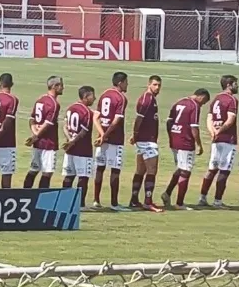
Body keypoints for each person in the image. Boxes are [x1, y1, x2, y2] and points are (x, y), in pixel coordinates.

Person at [161, 89, 211, 210]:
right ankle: (179, 203)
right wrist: (199, 144)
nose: (202, 104)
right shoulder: (194, 105)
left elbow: (169, 121)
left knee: (180, 168)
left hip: (175, 139)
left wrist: (171, 136)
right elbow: (194, 127)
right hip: (185, 142)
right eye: (204, 101)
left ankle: (167, 193)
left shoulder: (179, 102)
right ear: (201, 96)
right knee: (186, 171)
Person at [200, 74, 239, 208]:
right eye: (235, 83)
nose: (237, 86)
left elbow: (209, 118)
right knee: (224, 170)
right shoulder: (232, 100)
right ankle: (217, 201)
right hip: (228, 140)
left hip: (216, 140)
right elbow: (230, 120)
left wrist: (213, 132)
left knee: (212, 169)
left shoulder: (216, 99)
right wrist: (221, 130)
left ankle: (202, 198)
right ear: (229, 85)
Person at [92, 71, 129, 211]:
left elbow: (96, 117)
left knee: (100, 168)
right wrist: (106, 135)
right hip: (115, 139)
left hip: (102, 139)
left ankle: (96, 200)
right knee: (115, 170)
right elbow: (116, 121)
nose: (127, 85)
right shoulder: (121, 98)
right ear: (120, 83)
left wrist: (101, 135)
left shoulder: (104, 94)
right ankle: (114, 203)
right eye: (126, 82)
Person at [129, 75, 163, 212]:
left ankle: (134, 199)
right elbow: (139, 119)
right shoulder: (146, 99)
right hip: (146, 141)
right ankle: (148, 201)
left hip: (145, 139)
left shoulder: (150, 98)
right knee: (152, 170)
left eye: (159, 85)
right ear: (149, 84)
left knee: (141, 170)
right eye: (155, 85)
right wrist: (135, 135)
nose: (157, 88)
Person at [23, 76, 62, 189]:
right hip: (49, 143)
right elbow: (48, 124)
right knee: (47, 173)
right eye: (61, 85)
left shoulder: (40, 100)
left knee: (34, 169)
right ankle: (41, 199)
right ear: (54, 86)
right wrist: (37, 134)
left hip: (38, 143)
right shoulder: (54, 104)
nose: (63, 88)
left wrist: (35, 133)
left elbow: (31, 119)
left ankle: (25, 194)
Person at [61, 85, 96, 204]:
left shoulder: (71, 108)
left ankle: (65, 201)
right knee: (83, 177)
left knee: (69, 176)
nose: (94, 98)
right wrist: (73, 141)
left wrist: (69, 140)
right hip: (83, 150)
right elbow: (83, 132)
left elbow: (65, 126)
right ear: (86, 97)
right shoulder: (87, 112)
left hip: (70, 149)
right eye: (92, 96)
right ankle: (80, 203)